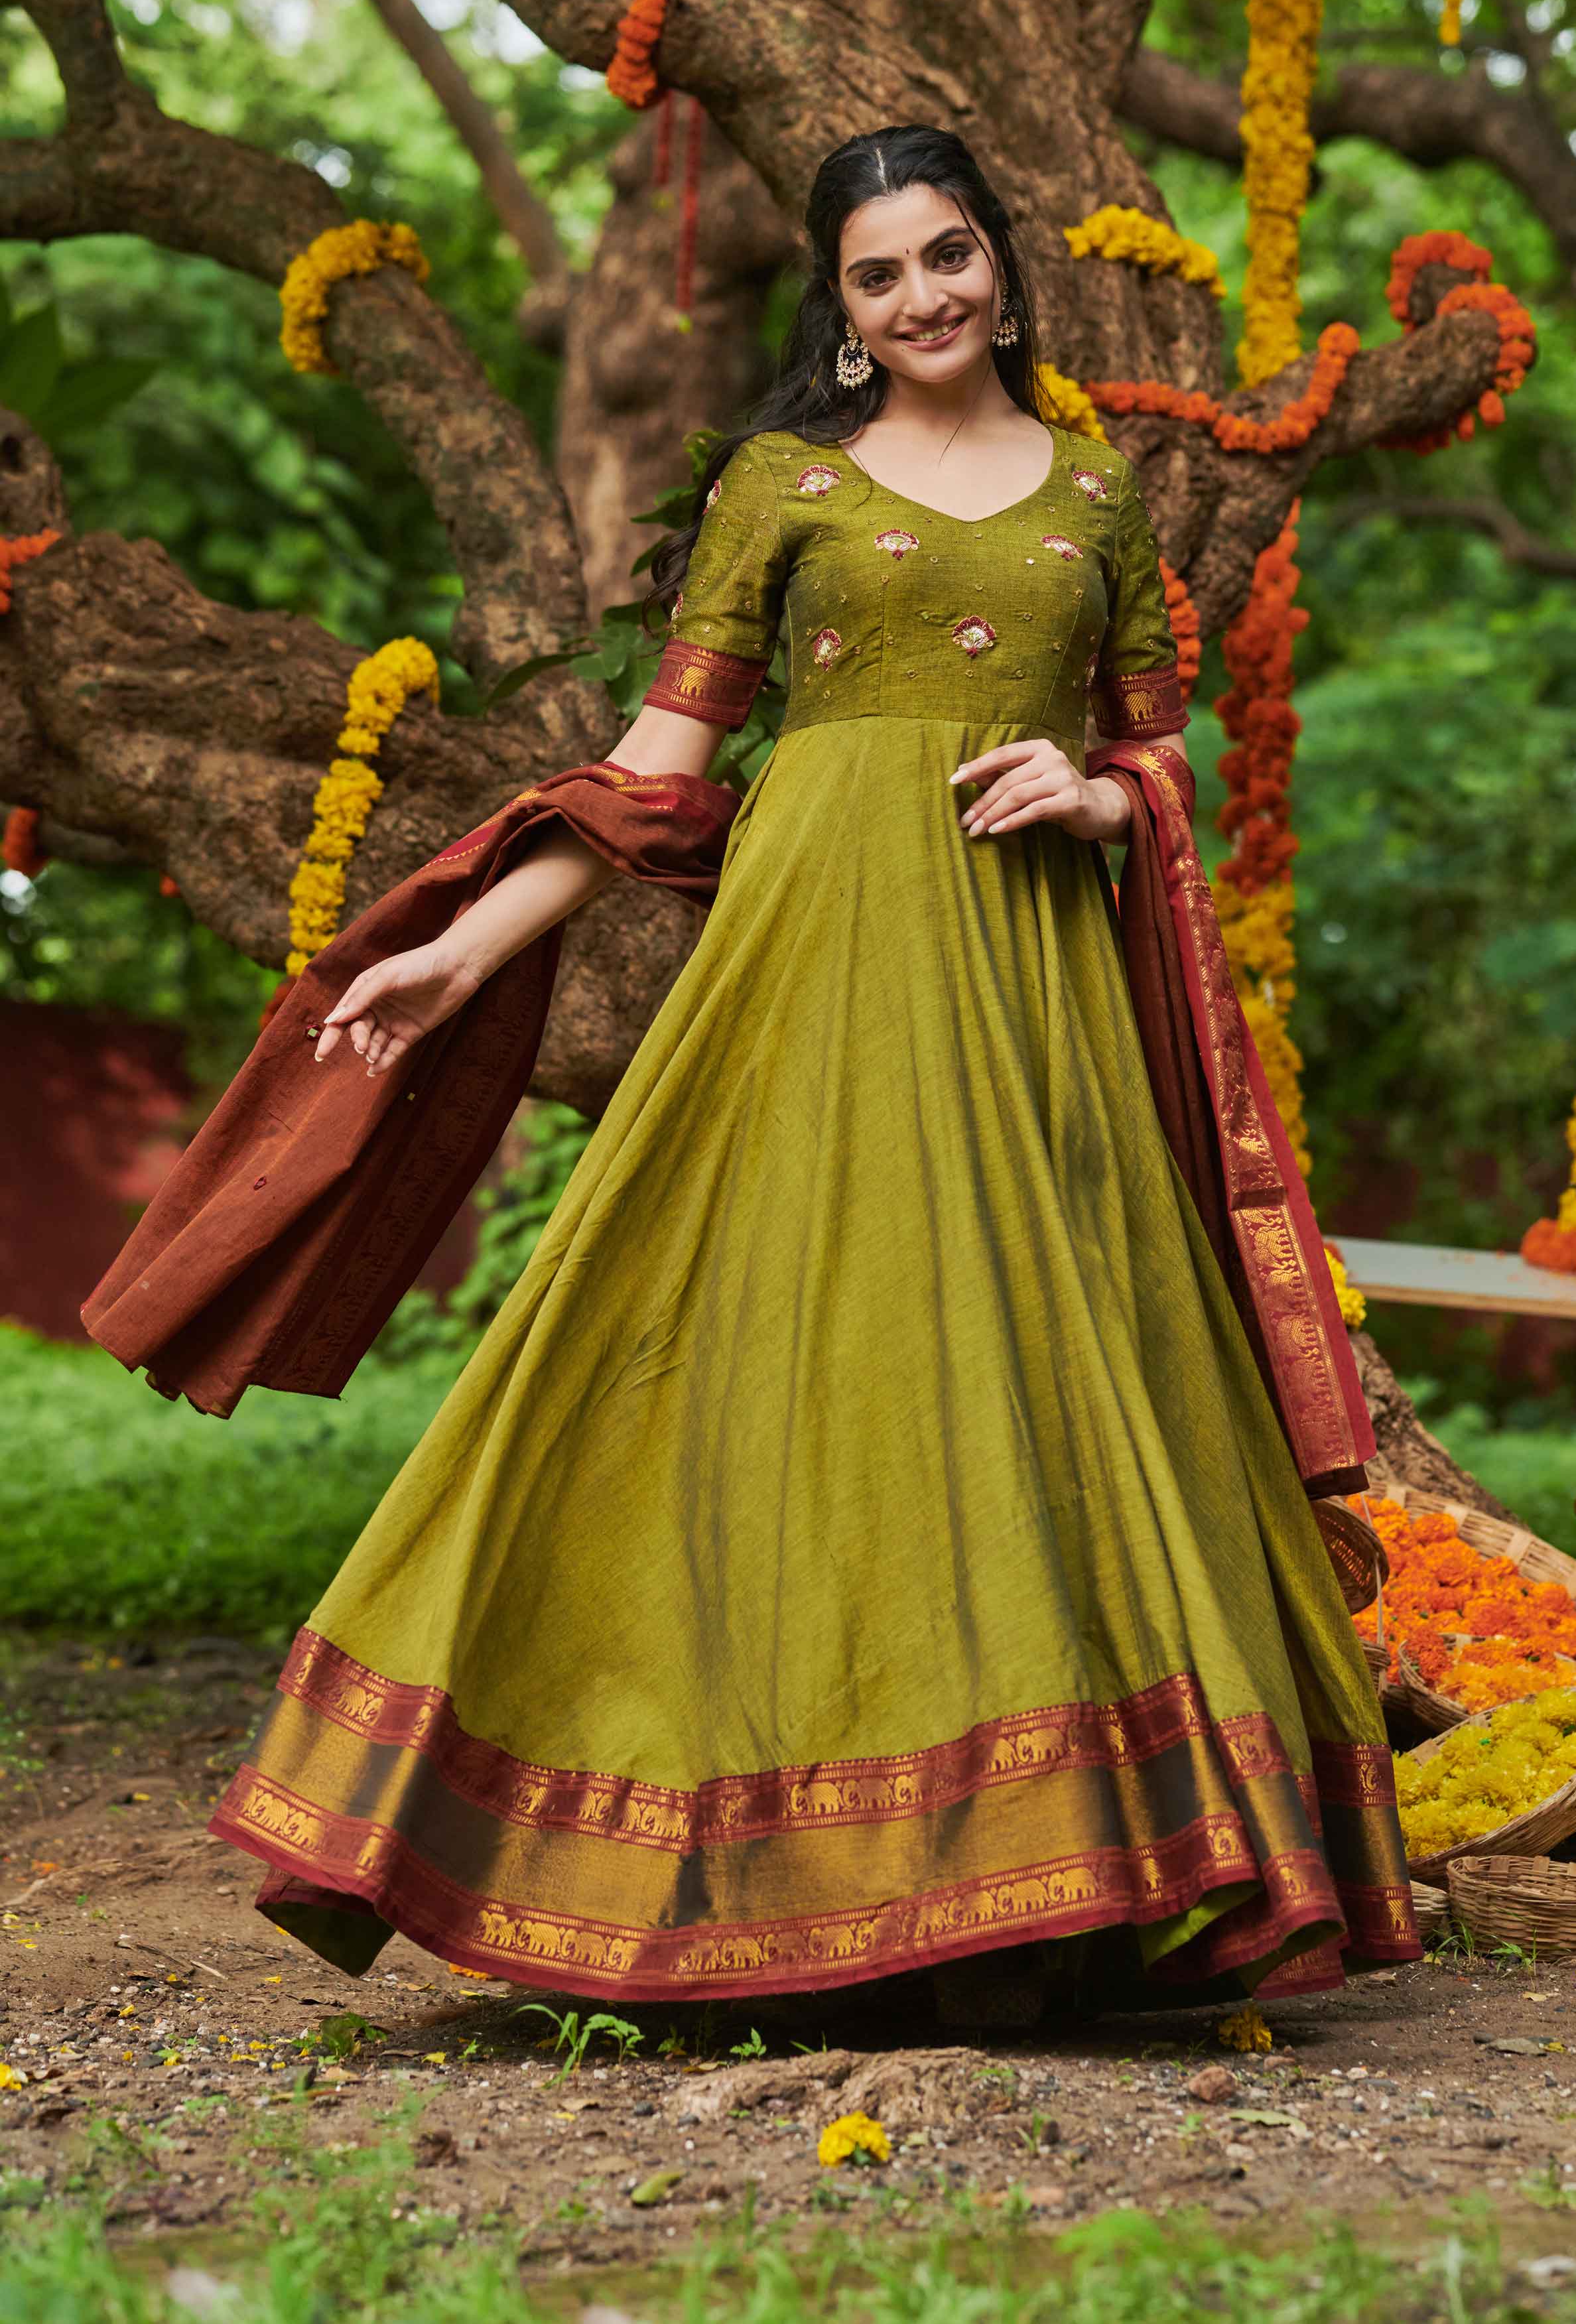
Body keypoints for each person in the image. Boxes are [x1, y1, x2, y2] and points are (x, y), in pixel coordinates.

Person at [92, 125, 1418, 2019]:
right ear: (842, 303)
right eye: (877, 276)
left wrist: (1100, 792)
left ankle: (1070, 1881)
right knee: (756, 1368)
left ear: (999, 259)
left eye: (945, 256)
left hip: (1026, 998)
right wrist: (459, 949)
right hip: (805, 978)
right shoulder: (781, 484)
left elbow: (1161, 750)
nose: (920, 298)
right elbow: (658, 771)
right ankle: (714, 1869)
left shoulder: (1097, 495)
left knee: (1034, 1383)